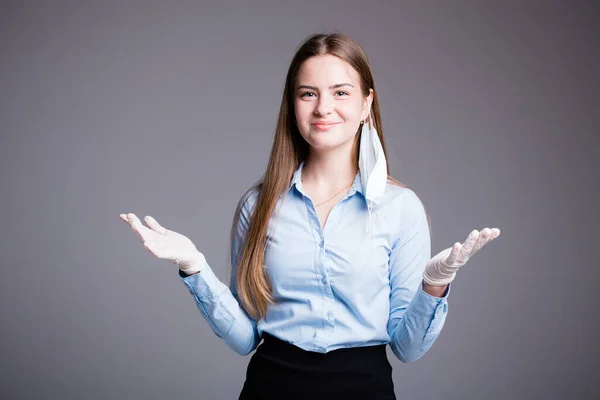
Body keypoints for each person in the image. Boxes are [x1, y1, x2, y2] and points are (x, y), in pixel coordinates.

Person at [120, 33, 500, 400]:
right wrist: (194, 267)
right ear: (293, 104)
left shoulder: (401, 207)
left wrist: (435, 284)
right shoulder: (259, 205)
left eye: (341, 92)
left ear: (366, 104)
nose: (323, 107)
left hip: (366, 390)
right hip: (269, 389)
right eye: (308, 94)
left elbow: (408, 348)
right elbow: (244, 338)